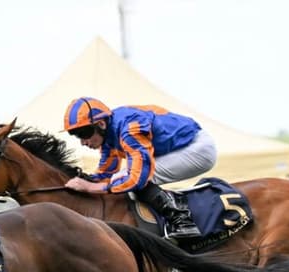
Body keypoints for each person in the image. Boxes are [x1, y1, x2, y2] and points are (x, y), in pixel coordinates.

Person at [62, 97, 217, 240]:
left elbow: (137, 179)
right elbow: (106, 173)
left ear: (101, 124)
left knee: (132, 177)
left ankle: (183, 222)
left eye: (84, 133)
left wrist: (90, 188)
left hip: (197, 148)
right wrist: (83, 179)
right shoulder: (108, 134)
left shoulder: (130, 129)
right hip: (178, 147)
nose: (83, 142)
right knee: (119, 178)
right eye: (77, 135)